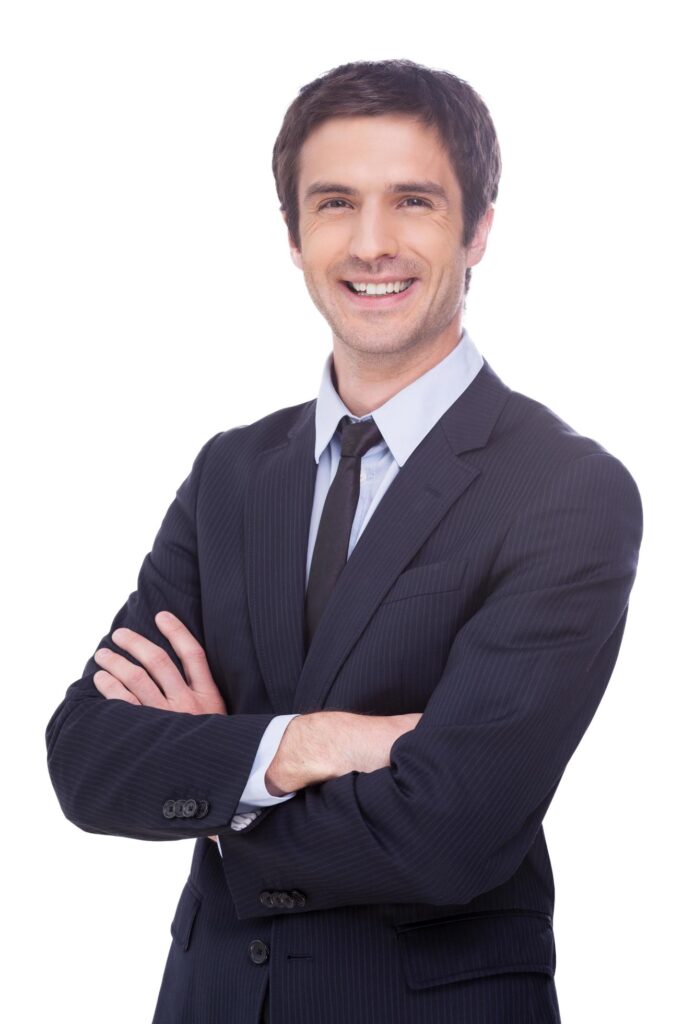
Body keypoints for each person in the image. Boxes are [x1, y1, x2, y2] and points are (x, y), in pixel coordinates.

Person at [45, 59, 643, 1024]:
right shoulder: (231, 474)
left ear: (478, 228)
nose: (371, 244)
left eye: (412, 200)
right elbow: (86, 759)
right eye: (334, 204)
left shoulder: (565, 490)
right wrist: (307, 745)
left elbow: (451, 833)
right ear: (293, 235)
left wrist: (213, 770)